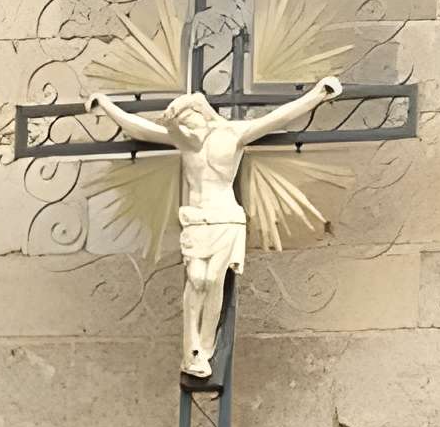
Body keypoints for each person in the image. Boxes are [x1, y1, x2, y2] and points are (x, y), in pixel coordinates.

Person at [87, 75, 344, 380]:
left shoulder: (233, 134)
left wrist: (317, 94)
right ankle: (191, 350)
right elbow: (139, 128)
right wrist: (106, 105)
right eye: (182, 125)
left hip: (226, 219)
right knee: (196, 279)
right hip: (196, 220)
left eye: (188, 122)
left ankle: (204, 347)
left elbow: (279, 117)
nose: (186, 130)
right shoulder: (184, 142)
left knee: (212, 281)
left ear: (201, 116)